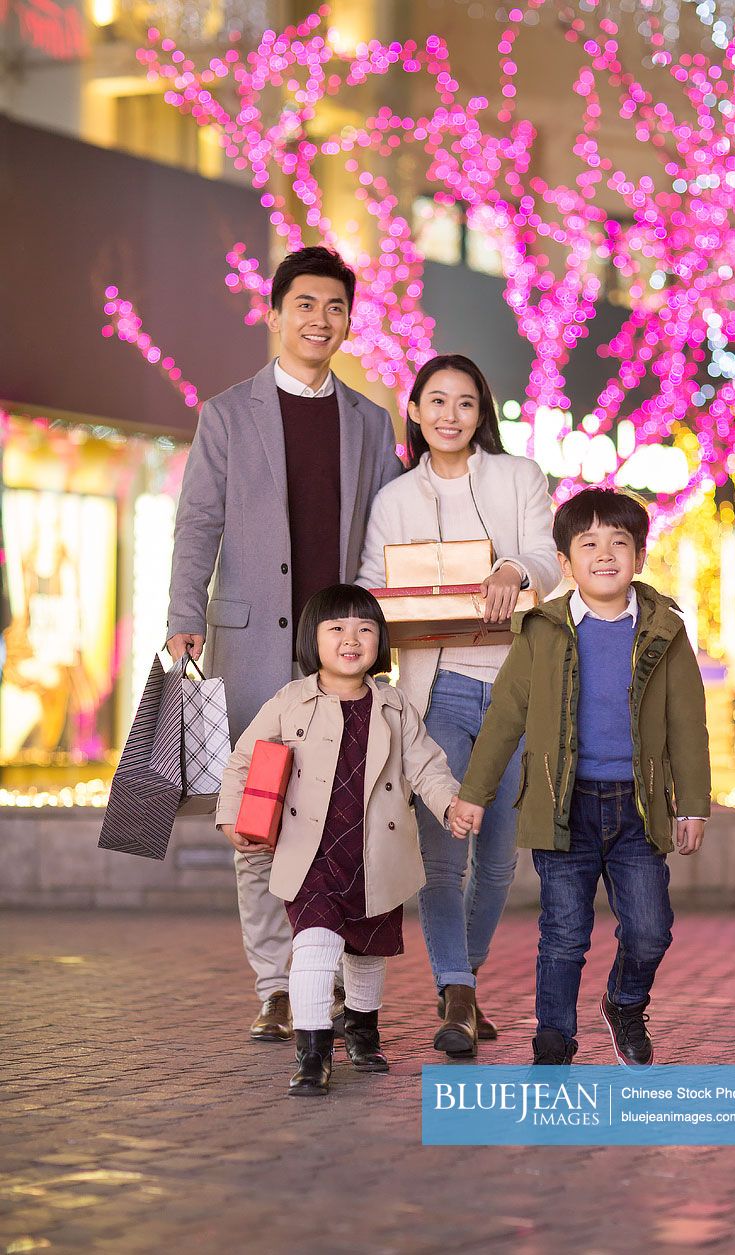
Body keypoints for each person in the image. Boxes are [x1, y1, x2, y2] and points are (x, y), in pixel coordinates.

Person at [166, 246, 403, 1043]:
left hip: (340, 650)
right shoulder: (227, 414)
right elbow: (198, 520)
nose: (319, 320)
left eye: (334, 307)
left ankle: (326, 975)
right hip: (251, 649)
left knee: (344, 816)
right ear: (274, 314)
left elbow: (387, 529)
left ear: (347, 320)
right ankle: (275, 983)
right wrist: (180, 611)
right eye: (304, 305)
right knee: (258, 814)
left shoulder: (371, 422)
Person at [450, 487, 711, 1067]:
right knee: (563, 935)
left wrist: (692, 804)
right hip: (562, 803)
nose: (604, 553)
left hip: (639, 808)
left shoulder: (665, 632)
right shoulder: (542, 631)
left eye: (619, 542)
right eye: (588, 543)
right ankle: (553, 1041)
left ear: (639, 557)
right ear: (565, 563)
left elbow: (688, 723)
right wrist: (473, 795)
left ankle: (624, 1000)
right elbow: (504, 720)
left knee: (650, 929)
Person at [357, 354, 561, 1057]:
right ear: (413, 410)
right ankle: (457, 990)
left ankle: (461, 986)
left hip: (513, 692)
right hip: (433, 691)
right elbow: (370, 586)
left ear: (482, 413)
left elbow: (546, 554)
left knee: (500, 860)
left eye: (465, 403)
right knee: (444, 859)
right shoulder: (393, 499)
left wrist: (514, 568)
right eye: (435, 401)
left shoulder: (518, 477)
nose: (449, 414)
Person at [216, 585, 460, 1096]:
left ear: (381, 642)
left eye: (365, 629)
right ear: (314, 639)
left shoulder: (394, 707)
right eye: (337, 629)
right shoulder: (291, 701)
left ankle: (363, 1031)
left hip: (375, 854)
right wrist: (232, 818)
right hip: (312, 855)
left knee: (367, 953)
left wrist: (451, 804)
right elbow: (244, 759)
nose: (352, 640)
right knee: (314, 947)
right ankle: (312, 1052)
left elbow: (427, 766)